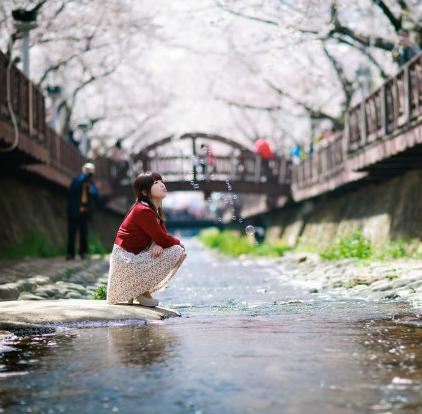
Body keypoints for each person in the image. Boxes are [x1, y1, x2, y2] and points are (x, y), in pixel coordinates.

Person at [107, 172, 187, 307]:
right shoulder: (142, 210)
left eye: (161, 181)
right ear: (144, 192)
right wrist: (177, 242)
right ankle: (139, 289)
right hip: (126, 260)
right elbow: (163, 238)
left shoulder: (152, 209)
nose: (162, 184)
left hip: (132, 257)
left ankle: (141, 290)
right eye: (156, 183)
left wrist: (157, 244)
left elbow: (160, 236)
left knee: (175, 250)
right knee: (177, 250)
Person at [66, 162, 99, 260]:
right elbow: (73, 188)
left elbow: (96, 195)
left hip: (85, 211)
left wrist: (90, 187)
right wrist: (83, 178)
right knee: (72, 232)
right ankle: (70, 253)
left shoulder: (91, 183)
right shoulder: (77, 180)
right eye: (88, 171)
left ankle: (83, 252)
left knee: (84, 233)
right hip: (74, 210)